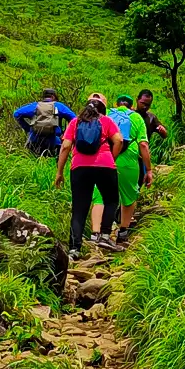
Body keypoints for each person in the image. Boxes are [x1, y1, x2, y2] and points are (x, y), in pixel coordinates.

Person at [52, 92, 121, 276]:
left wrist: (59, 172)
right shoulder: (106, 121)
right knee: (111, 200)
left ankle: (74, 249)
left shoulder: (75, 122)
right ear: (102, 109)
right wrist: (111, 158)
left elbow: (66, 146)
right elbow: (119, 140)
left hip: (80, 167)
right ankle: (104, 235)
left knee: (79, 209)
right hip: (105, 165)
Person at [94, 94, 154, 238]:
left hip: (105, 159)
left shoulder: (106, 114)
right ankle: (123, 232)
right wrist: (149, 170)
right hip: (128, 162)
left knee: (100, 197)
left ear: (116, 104)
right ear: (131, 106)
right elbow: (143, 145)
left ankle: (96, 233)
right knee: (129, 196)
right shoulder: (136, 118)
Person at [12, 89, 76, 157]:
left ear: (43, 97)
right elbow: (74, 119)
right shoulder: (58, 106)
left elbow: (16, 114)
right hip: (54, 142)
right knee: (55, 160)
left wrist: (28, 128)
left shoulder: (35, 106)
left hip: (34, 141)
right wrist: (66, 134)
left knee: (34, 160)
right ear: (53, 97)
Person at [135, 88, 169, 161]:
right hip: (129, 153)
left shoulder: (151, 118)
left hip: (143, 154)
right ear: (137, 100)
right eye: (143, 103)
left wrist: (163, 130)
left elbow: (164, 135)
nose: (145, 107)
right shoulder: (129, 115)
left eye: (147, 105)